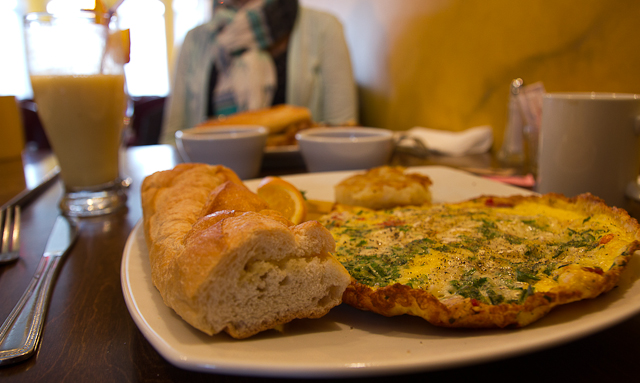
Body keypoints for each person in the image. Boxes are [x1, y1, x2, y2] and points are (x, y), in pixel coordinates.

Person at [160, 0, 358, 145]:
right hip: (210, 182)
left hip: (296, 181)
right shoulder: (195, 39)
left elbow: (343, 134)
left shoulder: (323, 28)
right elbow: (172, 138)